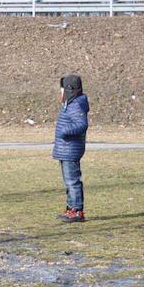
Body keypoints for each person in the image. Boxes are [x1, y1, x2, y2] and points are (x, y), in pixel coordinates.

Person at [52, 74, 89, 223]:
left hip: (70, 150)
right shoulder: (70, 103)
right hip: (65, 149)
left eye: (62, 89)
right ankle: (70, 208)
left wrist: (64, 131)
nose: (60, 92)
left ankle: (77, 210)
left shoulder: (76, 105)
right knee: (69, 182)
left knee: (73, 181)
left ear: (69, 89)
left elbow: (82, 124)